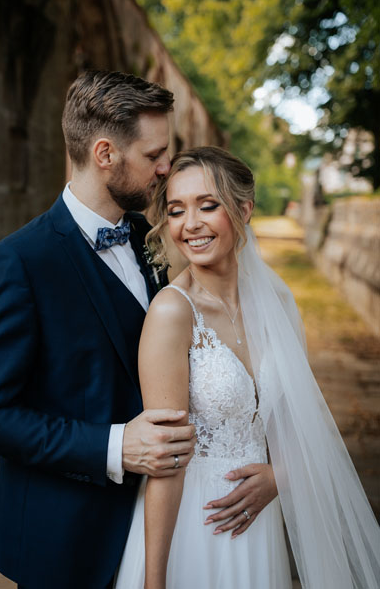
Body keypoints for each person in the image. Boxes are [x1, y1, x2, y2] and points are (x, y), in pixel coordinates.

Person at [0, 70, 197, 589]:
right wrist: (114, 447)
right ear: (105, 154)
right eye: (154, 154)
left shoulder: (150, 237)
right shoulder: (18, 263)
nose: (166, 167)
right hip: (64, 536)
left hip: (159, 526)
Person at [115, 147, 380, 589]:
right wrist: (154, 580)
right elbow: (167, 459)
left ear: (244, 209)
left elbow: (300, 421)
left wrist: (281, 476)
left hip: (258, 525)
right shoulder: (171, 313)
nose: (190, 224)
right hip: (194, 526)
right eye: (176, 210)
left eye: (208, 205)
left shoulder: (277, 302)